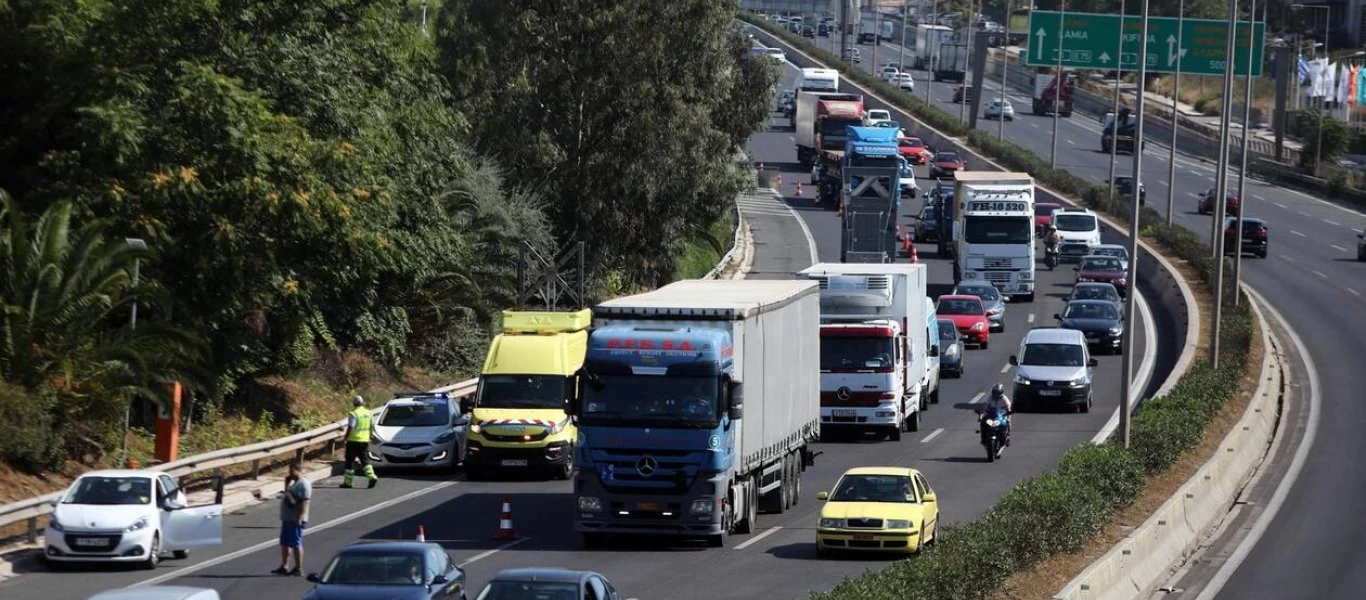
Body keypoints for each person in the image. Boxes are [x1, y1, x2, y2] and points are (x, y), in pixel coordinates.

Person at [273, 463, 311, 575]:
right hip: (287, 517)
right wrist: (286, 483)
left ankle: (299, 568)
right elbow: (288, 496)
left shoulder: (303, 484)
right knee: (285, 542)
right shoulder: (294, 483)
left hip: (295, 518)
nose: (290, 474)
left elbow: (305, 501)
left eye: (292, 471)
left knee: (296, 543)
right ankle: (284, 566)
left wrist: (299, 516)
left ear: (298, 470)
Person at [342, 395, 379, 489]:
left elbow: (351, 427)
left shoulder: (353, 414)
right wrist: (370, 436)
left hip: (353, 441)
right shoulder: (369, 413)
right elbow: (371, 426)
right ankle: (372, 477)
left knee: (349, 461)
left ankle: (348, 482)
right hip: (365, 441)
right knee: (365, 460)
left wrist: (345, 438)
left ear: (354, 403)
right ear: (362, 403)